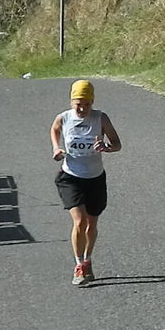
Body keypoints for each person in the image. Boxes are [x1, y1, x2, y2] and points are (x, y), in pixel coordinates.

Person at [50, 80, 122, 285]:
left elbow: (117, 144)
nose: (82, 108)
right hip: (70, 177)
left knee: (91, 224)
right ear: (72, 101)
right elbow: (54, 129)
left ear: (93, 101)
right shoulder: (64, 118)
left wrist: (107, 147)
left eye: (86, 104)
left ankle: (88, 259)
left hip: (95, 178)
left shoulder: (101, 119)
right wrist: (56, 148)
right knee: (79, 222)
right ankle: (79, 264)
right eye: (78, 103)